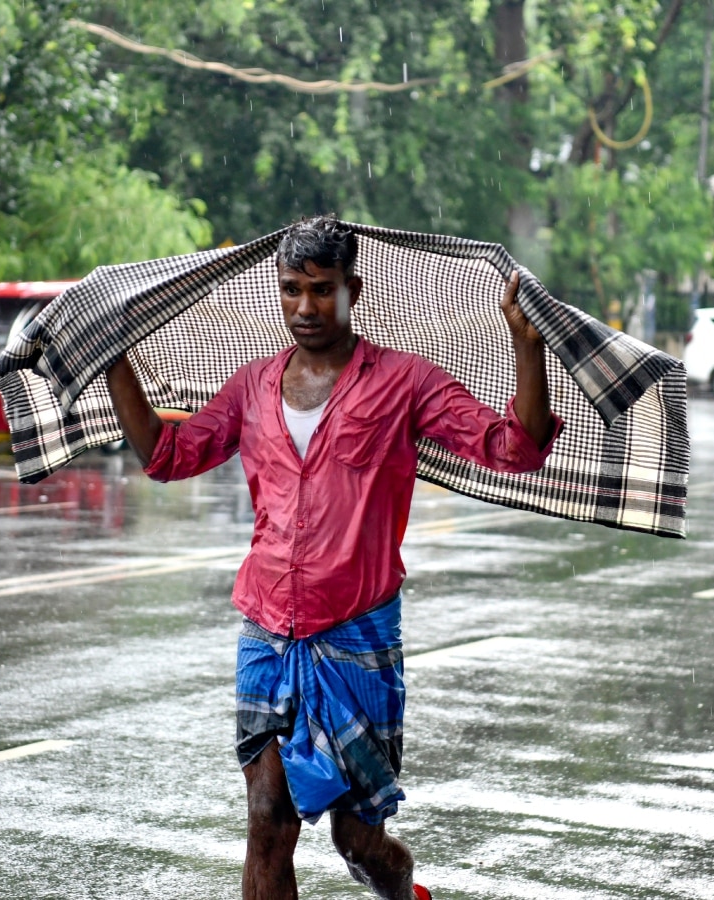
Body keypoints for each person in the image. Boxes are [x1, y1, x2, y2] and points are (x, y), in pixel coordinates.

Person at [106, 215, 561, 900]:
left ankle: (402, 886)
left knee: (357, 841)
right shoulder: (253, 386)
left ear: (353, 288)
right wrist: (114, 361)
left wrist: (528, 350)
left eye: (321, 290)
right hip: (266, 631)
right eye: (291, 290)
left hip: (357, 635)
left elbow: (515, 448)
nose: (305, 308)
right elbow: (168, 456)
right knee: (267, 816)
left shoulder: (404, 383)